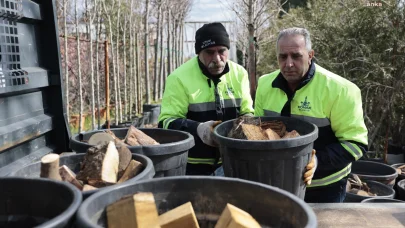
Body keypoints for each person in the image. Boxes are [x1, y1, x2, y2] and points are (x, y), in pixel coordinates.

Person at [254, 27, 368, 203]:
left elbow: (355, 144)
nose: (289, 63)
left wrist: (317, 161)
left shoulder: (341, 90)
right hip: (277, 184)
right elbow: (258, 133)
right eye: (282, 57)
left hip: (326, 188)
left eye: (296, 56)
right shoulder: (265, 85)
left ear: (310, 55)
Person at [158, 22, 254, 175]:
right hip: (192, 166)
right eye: (209, 52)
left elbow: (247, 112)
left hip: (232, 163)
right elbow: (166, 123)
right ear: (199, 53)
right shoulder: (179, 78)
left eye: (222, 51)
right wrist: (198, 129)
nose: (217, 59)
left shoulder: (239, 74)